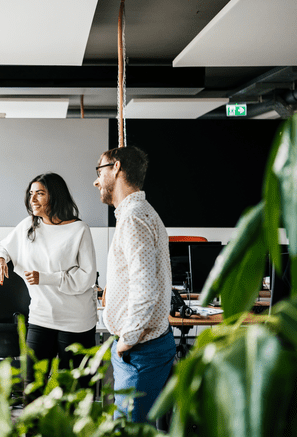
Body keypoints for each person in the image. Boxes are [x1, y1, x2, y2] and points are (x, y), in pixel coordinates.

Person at [0, 172, 98, 396]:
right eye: (31, 194)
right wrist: (0, 259)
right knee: (31, 388)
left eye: (40, 193)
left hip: (76, 321)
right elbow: (2, 246)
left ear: (55, 196)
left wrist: (46, 277)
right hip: (41, 317)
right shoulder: (28, 226)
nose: (33, 199)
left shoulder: (79, 230)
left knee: (75, 392)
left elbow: (86, 278)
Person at [93, 146, 176, 423]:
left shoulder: (134, 217)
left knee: (128, 430)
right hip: (144, 348)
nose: (96, 181)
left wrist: (126, 340)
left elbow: (145, 289)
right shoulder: (138, 213)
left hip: (139, 351)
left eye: (99, 171)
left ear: (116, 168)